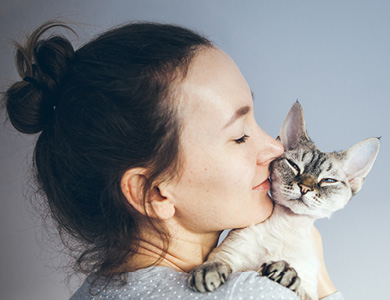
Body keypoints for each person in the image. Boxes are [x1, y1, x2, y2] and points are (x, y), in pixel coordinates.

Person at [3, 21, 344, 300]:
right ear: (154, 192)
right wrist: (320, 279)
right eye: (240, 134)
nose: (274, 148)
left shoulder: (88, 294)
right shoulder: (250, 294)